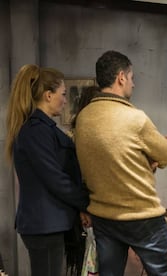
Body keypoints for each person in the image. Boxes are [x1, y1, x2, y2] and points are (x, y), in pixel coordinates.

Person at [75, 50, 167, 275]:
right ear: (121, 77)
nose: (133, 84)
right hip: (142, 216)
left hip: (103, 216)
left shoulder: (84, 118)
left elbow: (110, 160)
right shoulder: (135, 118)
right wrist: (151, 158)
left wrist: (142, 162)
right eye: (132, 78)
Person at [4, 64, 90, 276]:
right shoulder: (35, 132)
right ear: (48, 95)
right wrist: (86, 202)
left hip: (49, 223)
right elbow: (55, 178)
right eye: (62, 94)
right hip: (44, 225)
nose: (65, 99)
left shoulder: (44, 130)